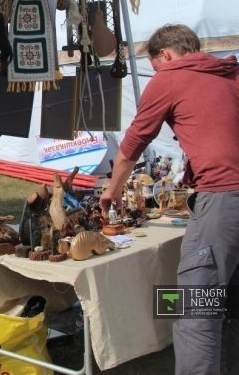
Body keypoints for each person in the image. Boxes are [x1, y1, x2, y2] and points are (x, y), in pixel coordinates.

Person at [99, 24, 239, 375]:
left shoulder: (171, 76)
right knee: (231, 301)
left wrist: (112, 190)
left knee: (193, 307)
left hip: (224, 196)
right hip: (225, 196)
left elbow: (133, 142)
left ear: (165, 55)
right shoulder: (229, 73)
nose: (155, 74)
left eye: (156, 65)